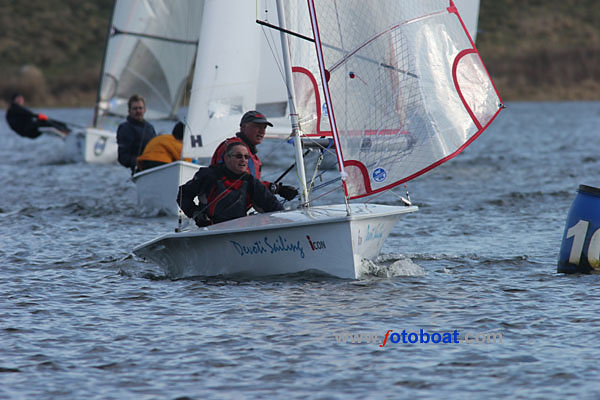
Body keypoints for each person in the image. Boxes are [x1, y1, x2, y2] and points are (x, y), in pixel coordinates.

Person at [177, 142, 284, 227]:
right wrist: (195, 213)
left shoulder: (250, 181)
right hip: (210, 230)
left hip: (238, 232)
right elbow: (183, 194)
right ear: (227, 158)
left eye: (246, 157)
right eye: (238, 156)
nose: (243, 160)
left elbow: (275, 207)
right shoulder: (209, 175)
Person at [210, 110, 298, 201]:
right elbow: (240, 182)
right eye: (257, 126)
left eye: (264, 128)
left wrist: (277, 189)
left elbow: (249, 184)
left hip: (237, 207)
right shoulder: (233, 148)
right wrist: (275, 189)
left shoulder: (252, 156)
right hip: (224, 208)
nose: (262, 131)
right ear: (243, 127)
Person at [116, 94, 156, 173]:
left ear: (145, 110)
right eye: (135, 109)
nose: (138, 111)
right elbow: (123, 158)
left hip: (154, 167)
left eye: (140, 108)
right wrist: (138, 162)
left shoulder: (150, 127)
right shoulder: (125, 128)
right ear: (129, 111)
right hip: (140, 170)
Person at [5, 93, 70, 139]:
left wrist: (39, 116)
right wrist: (39, 116)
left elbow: (28, 115)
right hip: (27, 131)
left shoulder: (14, 109)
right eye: (18, 99)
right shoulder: (14, 108)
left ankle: (64, 129)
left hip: (28, 131)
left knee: (45, 121)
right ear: (14, 100)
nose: (21, 100)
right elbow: (30, 114)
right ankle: (66, 130)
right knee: (43, 121)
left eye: (21, 99)